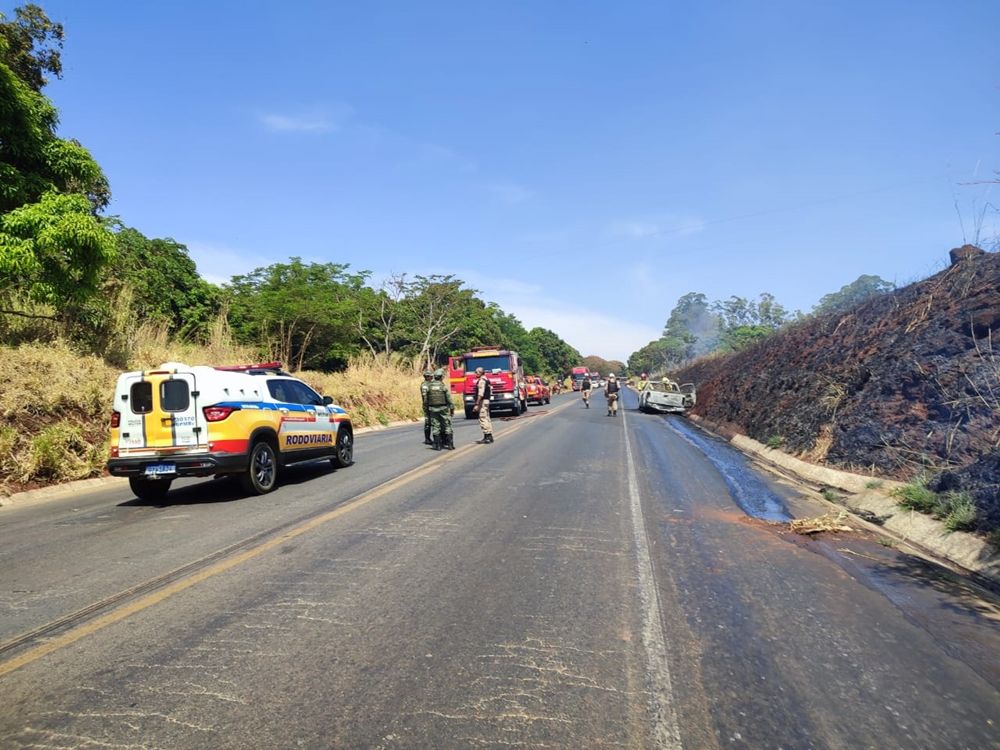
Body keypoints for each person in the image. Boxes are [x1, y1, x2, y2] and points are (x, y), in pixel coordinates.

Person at [425, 369, 455, 450]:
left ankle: (437, 445)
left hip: (432, 409)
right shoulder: (443, 386)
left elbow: (426, 400)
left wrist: (427, 410)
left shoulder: (429, 386)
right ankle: (450, 445)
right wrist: (452, 409)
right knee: (447, 425)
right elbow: (449, 399)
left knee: (435, 426)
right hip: (443, 409)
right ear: (441, 377)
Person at [472, 366, 494, 444]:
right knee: (487, 418)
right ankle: (489, 436)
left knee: (483, 418)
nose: (475, 373)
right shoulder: (487, 380)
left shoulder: (482, 381)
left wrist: (477, 404)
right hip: (487, 401)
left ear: (480, 373)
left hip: (483, 401)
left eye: (476, 372)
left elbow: (480, 394)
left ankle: (487, 436)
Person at [419, 369, 434, 445]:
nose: (432, 378)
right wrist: (427, 406)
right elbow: (425, 397)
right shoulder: (425, 385)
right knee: (428, 422)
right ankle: (427, 438)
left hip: (431, 405)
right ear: (427, 377)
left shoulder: (431, 384)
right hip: (427, 406)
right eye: (430, 376)